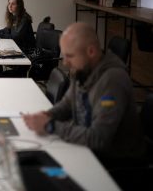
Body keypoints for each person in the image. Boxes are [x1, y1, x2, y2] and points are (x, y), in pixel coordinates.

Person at [22, 22, 146, 167]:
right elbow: (67, 104)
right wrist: (47, 116)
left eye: (69, 56)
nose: (65, 62)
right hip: (87, 149)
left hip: (115, 163)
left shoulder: (113, 80)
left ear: (91, 51)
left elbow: (98, 138)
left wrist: (50, 126)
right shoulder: (83, 68)